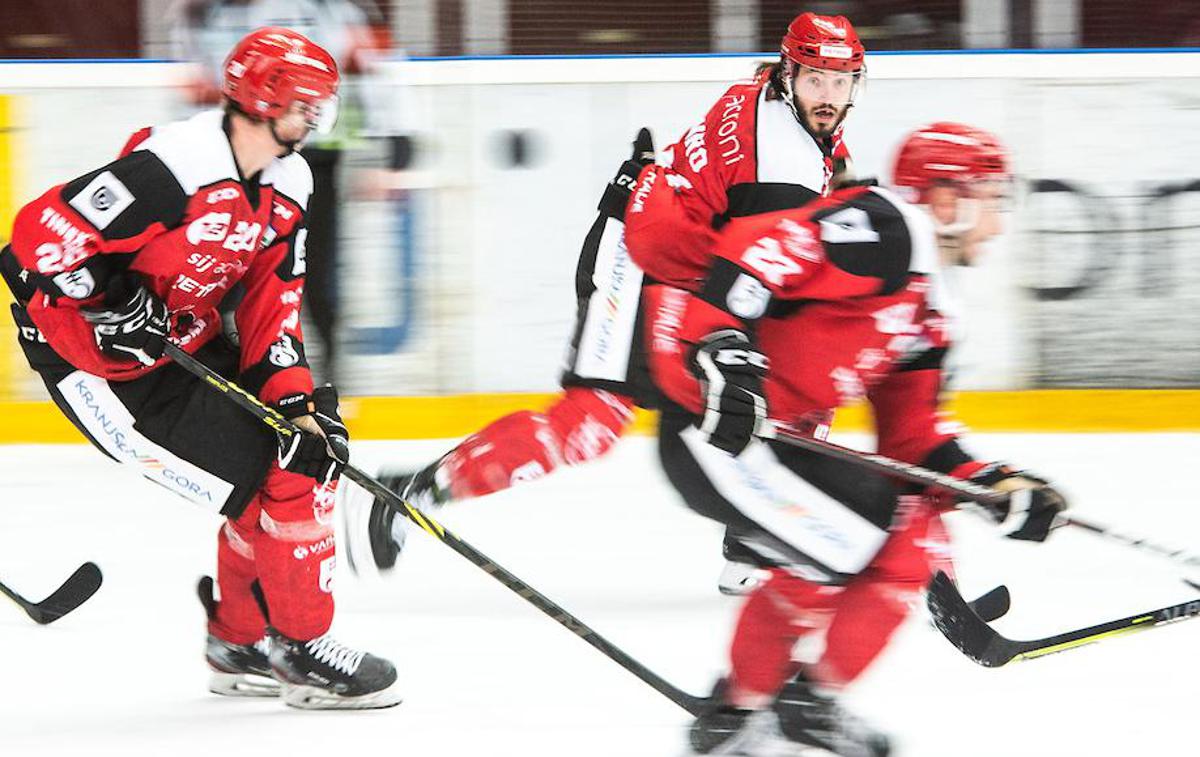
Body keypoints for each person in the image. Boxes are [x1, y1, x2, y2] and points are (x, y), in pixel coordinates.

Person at [343, 11, 869, 581]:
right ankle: (412, 490)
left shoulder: (767, 95)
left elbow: (789, 186)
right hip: (637, 261)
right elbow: (761, 263)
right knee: (591, 422)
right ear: (788, 74)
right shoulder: (784, 156)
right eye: (816, 79)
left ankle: (753, 540)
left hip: (669, 257)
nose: (828, 94)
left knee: (788, 383)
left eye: (840, 82)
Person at [621, 123, 1067, 755]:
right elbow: (759, 247)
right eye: (993, 198)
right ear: (945, 202)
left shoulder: (931, 305)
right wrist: (722, 347)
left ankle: (779, 710)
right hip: (717, 431)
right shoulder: (888, 229)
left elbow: (913, 440)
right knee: (871, 543)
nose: (999, 222)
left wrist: (996, 487)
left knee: (893, 546)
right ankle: (762, 716)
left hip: (775, 446)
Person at [0, 27, 399, 710]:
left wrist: (296, 402)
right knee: (279, 476)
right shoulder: (178, 164)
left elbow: (275, 309)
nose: (316, 118)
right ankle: (299, 647)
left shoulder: (288, 181)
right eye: (307, 103)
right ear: (265, 99)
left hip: (182, 338)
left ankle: (240, 643)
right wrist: (107, 299)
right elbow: (35, 237)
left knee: (301, 447)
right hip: (98, 369)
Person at [172, 0, 405, 385]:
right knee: (234, 262)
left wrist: (396, 147)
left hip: (310, 157)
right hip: (254, 153)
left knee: (311, 270)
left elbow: (375, 71)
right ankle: (224, 366)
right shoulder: (231, 12)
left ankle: (325, 376)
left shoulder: (335, 11)